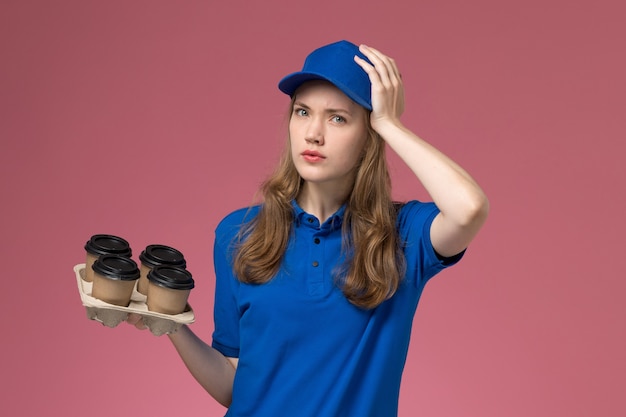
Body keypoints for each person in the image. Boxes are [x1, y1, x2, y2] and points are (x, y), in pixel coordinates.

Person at [128, 39, 489, 416]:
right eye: (302, 112)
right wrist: (170, 324)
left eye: (338, 118)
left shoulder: (403, 235)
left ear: (369, 137)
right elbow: (233, 384)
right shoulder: (238, 233)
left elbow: (469, 209)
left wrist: (390, 124)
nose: (313, 133)